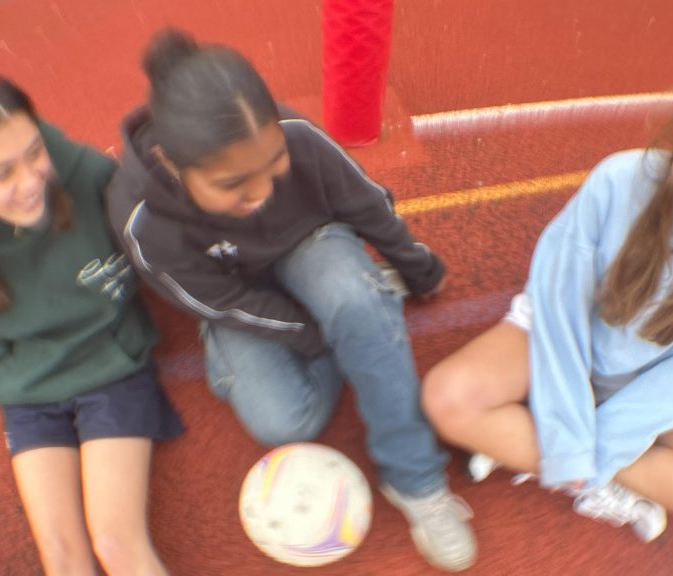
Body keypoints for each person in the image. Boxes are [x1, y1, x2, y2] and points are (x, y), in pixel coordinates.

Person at [105, 28, 476, 572]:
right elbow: (215, 299)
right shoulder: (142, 219)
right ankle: (361, 323)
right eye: (234, 184)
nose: (261, 195)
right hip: (233, 296)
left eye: (272, 164)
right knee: (287, 422)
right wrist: (320, 331)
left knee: (354, 300)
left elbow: (367, 205)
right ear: (172, 165)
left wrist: (418, 270)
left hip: (310, 245)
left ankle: (416, 480)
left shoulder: (299, 137)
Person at [422, 70, 673, 542]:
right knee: (446, 398)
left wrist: (591, 454)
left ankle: (543, 448)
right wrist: (570, 436)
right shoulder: (618, 181)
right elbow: (559, 309)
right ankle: (566, 450)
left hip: (651, 372)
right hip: (560, 338)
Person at [0, 73, 184, 575]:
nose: (29, 181)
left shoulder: (89, 174)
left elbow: (159, 243)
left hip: (110, 368)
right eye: (3, 173)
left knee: (115, 543)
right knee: (63, 558)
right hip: (29, 391)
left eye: (34, 153)